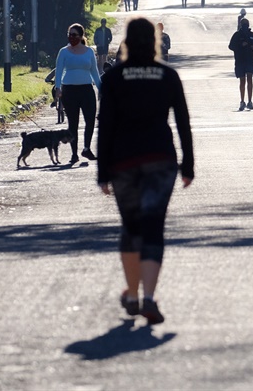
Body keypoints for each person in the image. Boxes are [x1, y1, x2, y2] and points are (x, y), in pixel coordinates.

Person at [98, 18, 193, 325]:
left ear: (125, 41)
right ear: (155, 41)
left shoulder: (114, 77)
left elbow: (106, 125)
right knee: (153, 227)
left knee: (131, 227)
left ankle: (133, 295)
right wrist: (187, 165)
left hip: (123, 161)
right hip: (160, 159)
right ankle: (149, 297)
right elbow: (182, 122)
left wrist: (102, 170)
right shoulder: (168, 75)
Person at [54, 23, 101, 164]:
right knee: (73, 123)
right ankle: (74, 153)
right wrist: (58, 88)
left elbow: (94, 71)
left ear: (81, 36)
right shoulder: (64, 51)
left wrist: (101, 88)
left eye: (74, 35)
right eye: (69, 34)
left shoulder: (89, 52)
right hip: (69, 90)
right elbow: (58, 70)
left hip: (86, 89)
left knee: (90, 120)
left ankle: (86, 148)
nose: (71, 37)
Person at [228, 16, 253, 111]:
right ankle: (242, 101)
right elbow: (231, 46)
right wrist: (240, 45)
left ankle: (250, 101)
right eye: (244, 25)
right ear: (241, 25)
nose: (245, 26)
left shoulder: (252, 35)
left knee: (250, 79)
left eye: (246, 25)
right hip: (240, 60)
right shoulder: (237, 35)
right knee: (242, 81)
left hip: (250, 60)